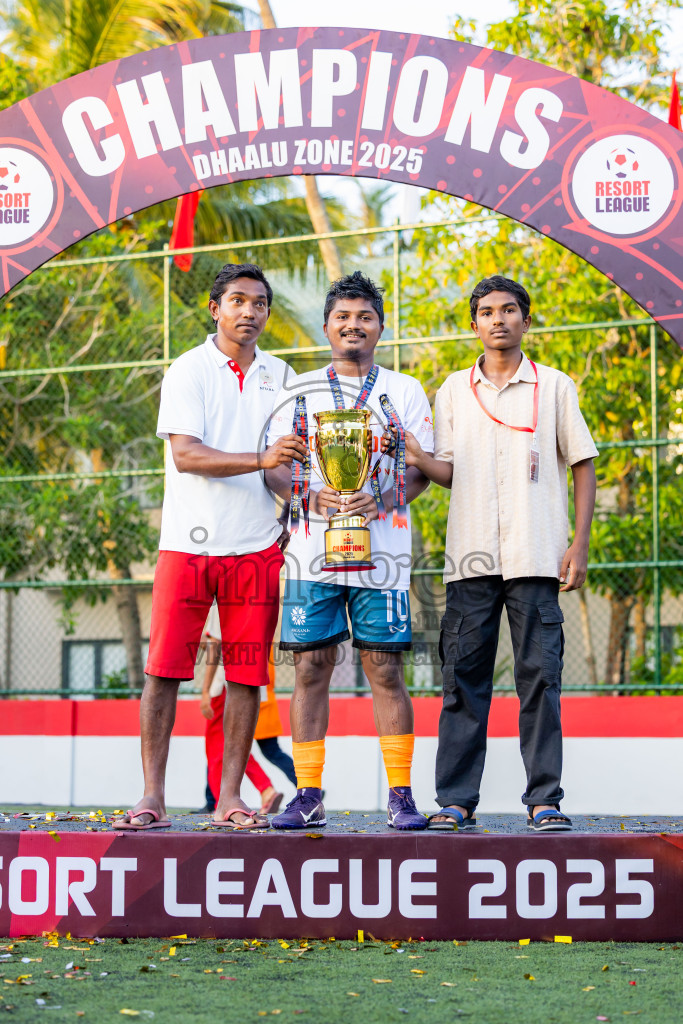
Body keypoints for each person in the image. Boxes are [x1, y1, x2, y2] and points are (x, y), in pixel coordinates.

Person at [386, 275, 597, 832]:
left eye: (508, 310)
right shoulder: (454, 390)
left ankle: (545, 800)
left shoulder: (555, 387)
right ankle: (455, 800)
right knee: (462, 681)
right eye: (486, 311)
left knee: (541, 679)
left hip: (537, 556)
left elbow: (582, 463)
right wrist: (419, 457)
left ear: (527, 319)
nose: (498, 319)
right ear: (474, 323)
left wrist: (578, 543)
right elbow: (448, 471)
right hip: (471, 559)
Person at [112, 263, 305, 831]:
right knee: (163, 673)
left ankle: (230, 800)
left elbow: (281, 467)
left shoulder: (282, 375)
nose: (250, 311)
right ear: (215, 309)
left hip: (257, 549)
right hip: (187, 548)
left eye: (260, 302)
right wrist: (261, 459)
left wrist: (302, 500)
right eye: (238, 300)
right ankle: (152, 797)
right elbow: (187, 455)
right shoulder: (188, 369)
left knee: (246, 677)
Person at [265, 271, 433, 830]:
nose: (353, 325)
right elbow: (275, 467)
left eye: (365, 316)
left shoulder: (404, 391)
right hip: (310, 552)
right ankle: (308, 793)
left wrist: (379, 497)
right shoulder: (299, 390)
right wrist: (306, 494)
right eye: (343, 316)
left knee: (385, 670)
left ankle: (401, 795)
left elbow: (421, 469)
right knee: (310, 668)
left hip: (383, 554)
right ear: (327, 326)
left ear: (380, 327)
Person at [200, 602, 296, 814]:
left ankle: (223, 802)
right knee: (232, 744)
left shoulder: (222, 601)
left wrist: (205, 690)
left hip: (224, 684)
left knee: (218, 747)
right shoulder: (257, 603)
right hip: (247, 682)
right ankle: (261, 791)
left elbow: (216, 646)